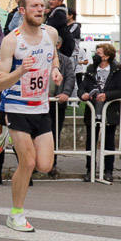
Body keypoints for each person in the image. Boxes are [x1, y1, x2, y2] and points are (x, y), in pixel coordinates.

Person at [0, 0, 61, 232]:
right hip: (17, 107)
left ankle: (6, 138)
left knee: (45, 165)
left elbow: (54, 57)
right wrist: (20, 71)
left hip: (41, 108)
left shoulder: (50, 34)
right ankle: (16, 214)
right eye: (34, 6)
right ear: (22, 10)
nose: (40, 9)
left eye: (42, 6)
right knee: (29, 162)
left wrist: (55, 69)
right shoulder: (12, 40)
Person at [79, 43, 121, 182]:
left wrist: (107, 95)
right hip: (92, 111)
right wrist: (83, 95)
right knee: (91, 141)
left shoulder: (117, 70)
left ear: (107, 56)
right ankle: (90, 169)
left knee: (109, 141)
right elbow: (82, 87)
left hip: (109, 112)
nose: (96, 56)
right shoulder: (91, 69)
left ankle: (108, 170)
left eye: (98, 54)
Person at [46, 36, 77, 177]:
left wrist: (65, 93)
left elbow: (70, 77)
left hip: (57, 103)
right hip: (40, 102)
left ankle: (52, 164)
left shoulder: (65, 60)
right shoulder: (40, 58)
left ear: (58, 46)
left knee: (54, 133)